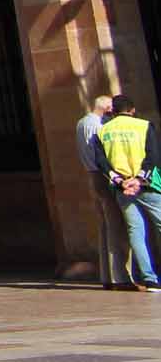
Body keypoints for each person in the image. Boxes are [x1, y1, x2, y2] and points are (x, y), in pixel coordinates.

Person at [97, 94, 161, 290]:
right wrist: (139, 179)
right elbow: (154, 156)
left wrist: (121, 181)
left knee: (135, 231)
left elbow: (101, 162)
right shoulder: (143, 126)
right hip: (148, 186)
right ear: (132, 110)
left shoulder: (102, 131)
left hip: (122, 189)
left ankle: (149, 278)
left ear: (113, 111)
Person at [81, 92, 130, 289]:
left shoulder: (82, 122)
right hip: (103, 175)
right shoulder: (98, 125)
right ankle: (121, 276)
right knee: (116, 225)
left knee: (105, 225)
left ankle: (108, 276)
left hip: (92, 174)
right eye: (111, 108)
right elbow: (103, 153)